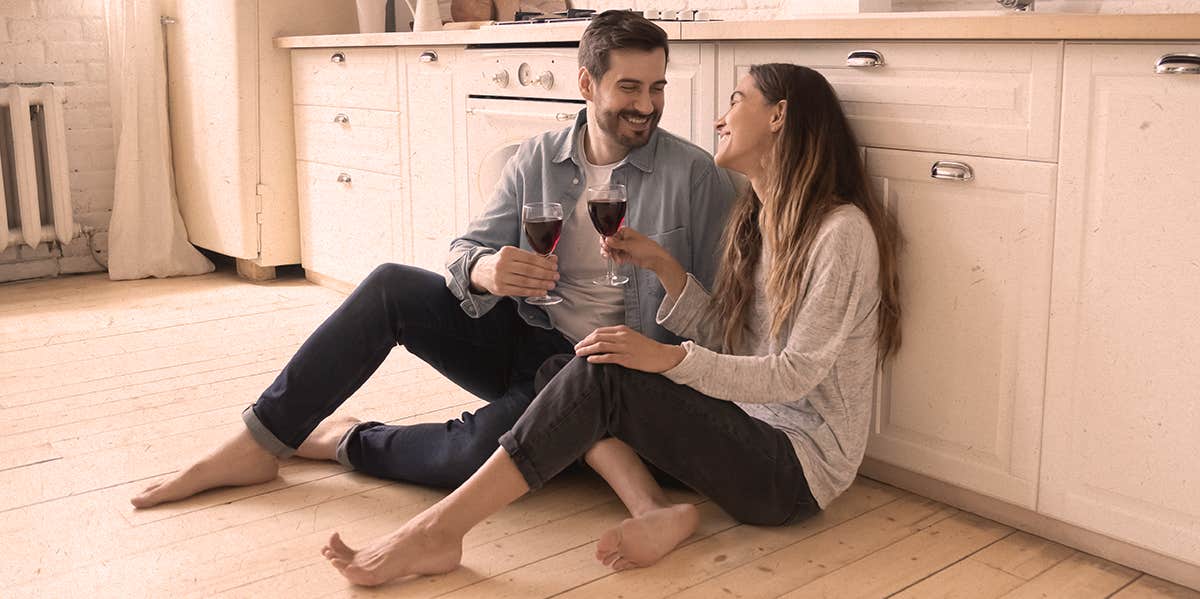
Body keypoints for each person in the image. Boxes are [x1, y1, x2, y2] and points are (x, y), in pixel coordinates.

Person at [316, 62, 904, 587]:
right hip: (743, 430)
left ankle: (439, 531)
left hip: (794, 471)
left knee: (604, 375)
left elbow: (795, 375)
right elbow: (733, 342)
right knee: (570, 363)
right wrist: (663, 265)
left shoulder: (840, 232)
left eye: (736, 99)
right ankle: (652, 509)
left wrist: (667, 358)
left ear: (779, 116)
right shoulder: (756, 220)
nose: (722, 118)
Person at [129, 11, 735, 508]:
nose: (647, 106)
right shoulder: (537, 159)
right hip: (531, 338)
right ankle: (258, 439)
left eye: (656, 87)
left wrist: (663, 275)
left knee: (471, 459)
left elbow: (724, 317)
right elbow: (464, 252)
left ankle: (345, 439)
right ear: (586, 85)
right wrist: (486, 270)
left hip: (604, 374)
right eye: (629, 87)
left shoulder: (694, 175)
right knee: (391, 286)